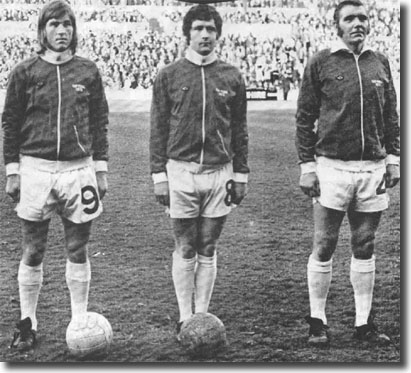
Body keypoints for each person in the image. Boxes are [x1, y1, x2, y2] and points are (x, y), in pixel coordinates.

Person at [2, 0, 109, 351]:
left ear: (74, 30)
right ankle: (27, 324)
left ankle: (79, 321)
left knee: (78, 247)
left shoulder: (88, 71)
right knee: (33, 249)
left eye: (67, 25)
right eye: (54, 25)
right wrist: (13, 170)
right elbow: (10, 124)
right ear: (42, 30)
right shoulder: (24, 72)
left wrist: (101, 169)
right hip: (36, 169)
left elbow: (100, 123)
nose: (62, 31)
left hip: (79, 170)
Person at [295, 0, 400, 346]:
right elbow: (304, 118)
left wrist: (394, 159)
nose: (358, 23)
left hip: (372, 167)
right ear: (337, 25)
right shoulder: (321, 61)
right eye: (350, 18)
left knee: (364, 244)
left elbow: (391, 118)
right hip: (331, 168)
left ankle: (363, 323)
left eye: (363, 18)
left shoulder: (379, 62)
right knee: (324, 244)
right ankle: (317, 321)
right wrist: (307, 167)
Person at [150, 4, 249, 338]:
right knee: (185, 245)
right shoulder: (169, 74)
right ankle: (184, 316)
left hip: (220, 172)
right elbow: (158, 129)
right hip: (180, 171)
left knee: (208, 245)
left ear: (218, 34)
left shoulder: (232, 75)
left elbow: (240, 130)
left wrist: (241, 174)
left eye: (210, 29)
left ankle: (202, 316)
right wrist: (158, 176)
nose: (205, 34)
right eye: (198, 28)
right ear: (187, 33)